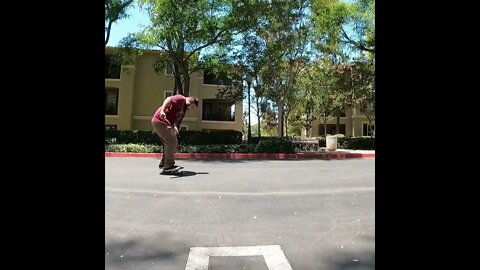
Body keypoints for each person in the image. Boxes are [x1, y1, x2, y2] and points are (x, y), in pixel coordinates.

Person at [151, 94, 198, 172]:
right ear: (190, 101)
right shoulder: (181, 99)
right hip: (160, 121)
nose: (191, 109)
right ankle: (168, 166)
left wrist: (174, 126)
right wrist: (163, 110)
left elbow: (173, 116)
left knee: (168, 142)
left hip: (163, 123)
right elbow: (168, 99)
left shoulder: (183, 107)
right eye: (192, 107)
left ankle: (164, 163)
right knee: (172, 141)